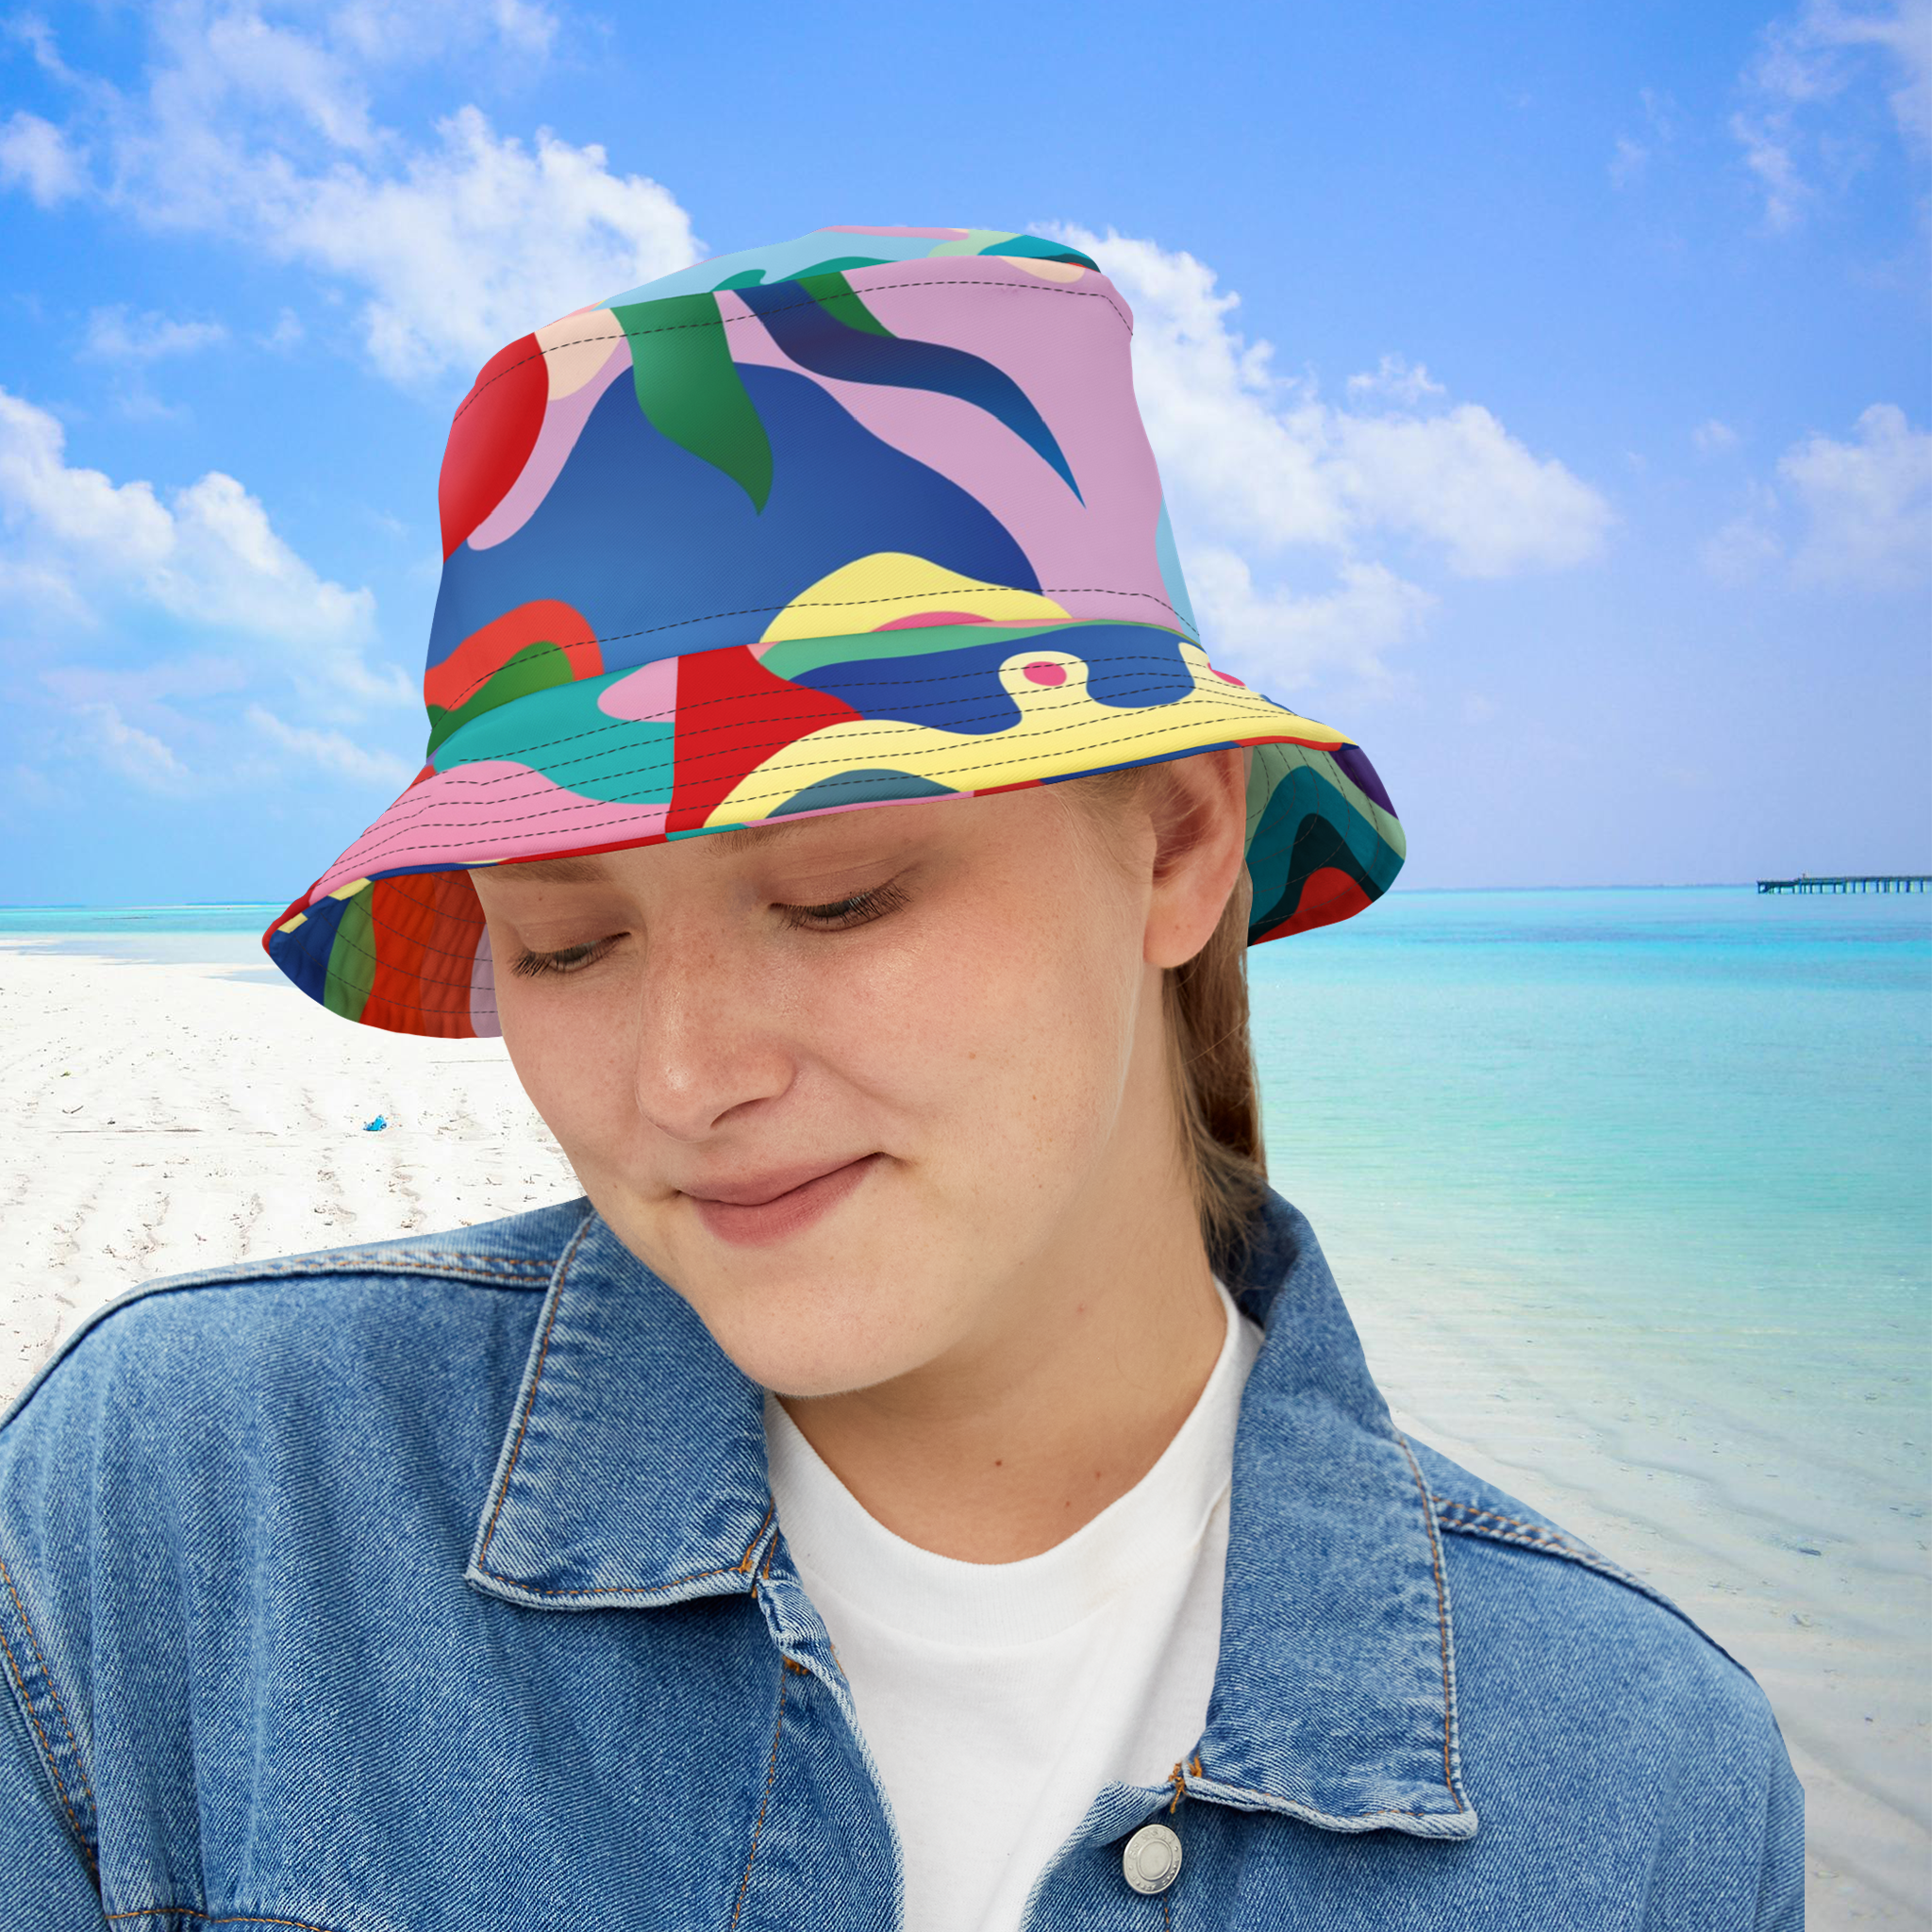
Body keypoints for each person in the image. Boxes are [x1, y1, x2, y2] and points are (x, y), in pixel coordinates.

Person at [0, 225, 1802, 1930]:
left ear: (1177, 846)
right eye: (566, 943)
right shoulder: (182, 1516)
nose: (687, 1079)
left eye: (838, 895)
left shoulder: (1636, 1785)